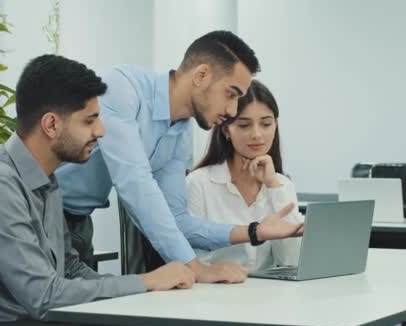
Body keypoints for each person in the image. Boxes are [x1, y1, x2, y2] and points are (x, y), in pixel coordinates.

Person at [0, 54, 195, 326]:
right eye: (90, 120)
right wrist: (145, 281)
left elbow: (71, 269)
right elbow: (44, 296)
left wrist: (149, 289)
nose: (101, 131)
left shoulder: (45, 179)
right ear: (51, 125)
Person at [55, 31, 303, 283]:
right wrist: (197, 268)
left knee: (77, 316)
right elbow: (135, 183)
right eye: (230, 94)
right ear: (201, 75)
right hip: (41, 209)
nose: (231, 110)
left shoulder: (180, 132)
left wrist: (254, 230)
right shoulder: (122, 87)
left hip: (79, 222)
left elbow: (178, 220)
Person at [186, 80, 303, 271]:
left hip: (270, 295)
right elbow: (192, 261)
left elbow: (292, 261)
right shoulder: (198, 183)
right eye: (244, 125)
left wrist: (274, 186)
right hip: (214, 294)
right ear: (226, 130)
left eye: (266, 124)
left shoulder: (282, 184)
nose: (257, 134)